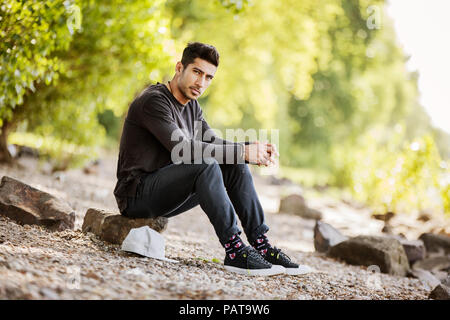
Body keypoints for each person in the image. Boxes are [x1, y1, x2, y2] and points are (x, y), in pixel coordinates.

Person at [114, 42, 305, 276]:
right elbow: (182, 149)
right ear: (179, 68)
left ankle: (260, 243)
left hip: (165, 191)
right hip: (136, 194)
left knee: (233, 161)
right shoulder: (154, 101)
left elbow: (212, 142)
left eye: (208, 77)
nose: (201, 83)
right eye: (196, 72)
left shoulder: (192, 106)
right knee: (206, 163)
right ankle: (234, 249)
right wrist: (242, 152)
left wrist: (248, 149)